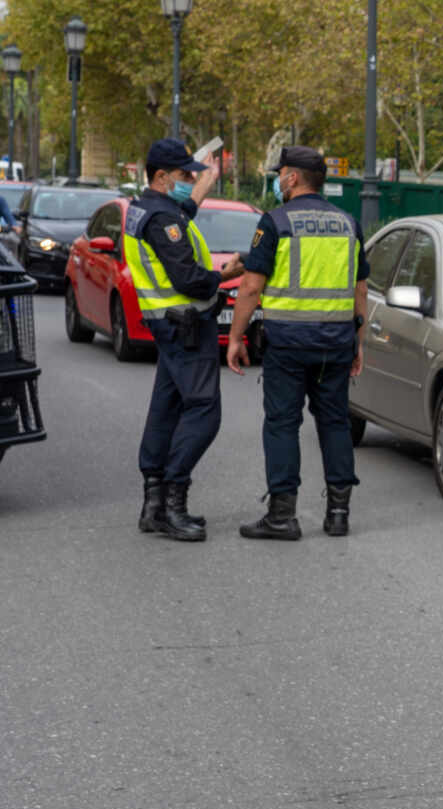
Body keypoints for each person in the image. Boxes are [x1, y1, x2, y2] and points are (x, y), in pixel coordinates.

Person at [226, 145, 368, 539]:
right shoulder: (348, 224)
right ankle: (338, 514)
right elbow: (360, 289)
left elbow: (251, 288)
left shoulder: (275, 222)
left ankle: (281, 516)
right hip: (336, 343)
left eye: (281, 172)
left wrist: (236, 338)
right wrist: (359, 340)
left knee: (282, 424)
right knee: (335, 423)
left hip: (288, 344)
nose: (278, 178)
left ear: (292, 178)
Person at [133, 138, 246, 543]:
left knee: (165, 409)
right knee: (203, 412)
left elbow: (185, 209)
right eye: (183, 176)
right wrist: (230, 273)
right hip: (187, 325)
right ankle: (173, 502)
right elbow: (191, 280)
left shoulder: (145, 208)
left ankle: (153, 507)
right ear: (161, 177)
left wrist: (206, 177)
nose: (188, 181)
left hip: (166, 326)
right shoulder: (164, 221)